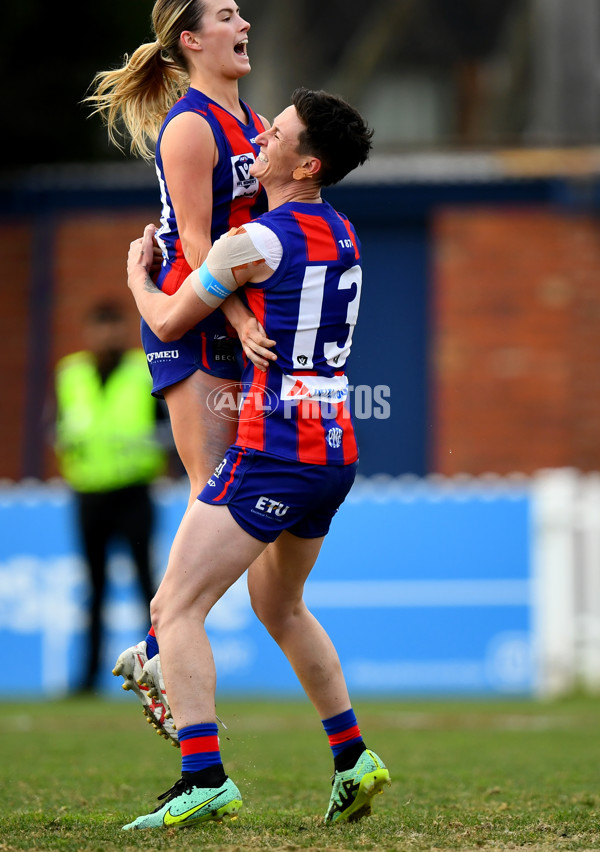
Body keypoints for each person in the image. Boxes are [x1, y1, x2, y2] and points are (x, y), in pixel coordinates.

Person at [121, 87, 390, 829]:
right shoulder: (341, 229)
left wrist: (140, 274)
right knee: (280, 604)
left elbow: (172, 317)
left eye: (274, 133)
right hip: (334, 443)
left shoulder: (257, 241)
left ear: (304, 162)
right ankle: (353, 758)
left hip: (278, 445)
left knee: (174, 607)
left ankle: (202, 775)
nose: (258, 141)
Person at [85, 0, 276, 731]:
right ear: (191, 41)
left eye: (239, 12)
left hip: (224, 321)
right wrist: (232, 311)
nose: (244, 22)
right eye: (227, 16)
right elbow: (198, 245)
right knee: (212, 493)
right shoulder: (190, 126)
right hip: (190, 322)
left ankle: (155, 643)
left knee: (228, 501)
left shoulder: (253, 121)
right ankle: (161, 642)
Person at [53, 301, 168, 692]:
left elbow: (167, 429)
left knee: (147, 588)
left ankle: (160, 670)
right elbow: (55, 426)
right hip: (89, 493)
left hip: (134, 491)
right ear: (89, 332)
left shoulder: (142, 370)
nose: (108, 336)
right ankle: (88, 679)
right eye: (101, 328)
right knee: (95, 588)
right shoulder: (71, 374)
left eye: (114, 327)